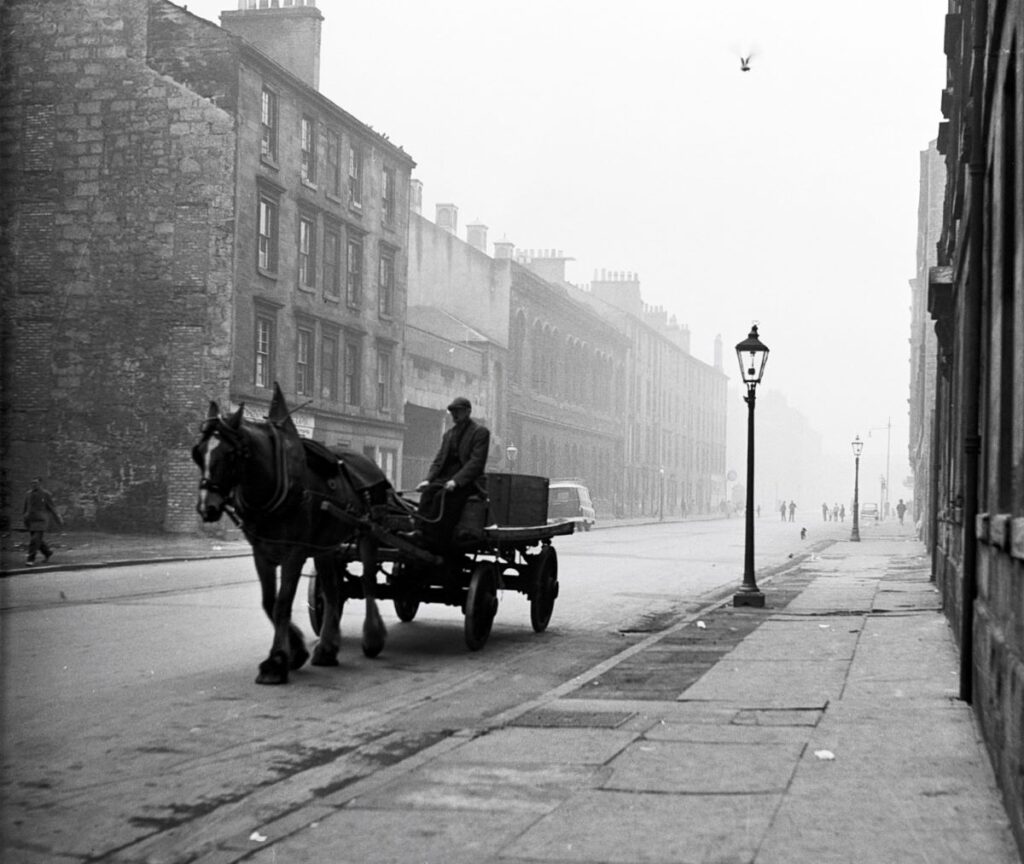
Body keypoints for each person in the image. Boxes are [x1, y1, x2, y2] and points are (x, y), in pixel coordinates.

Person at [415, 397, 490, 551]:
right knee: (428, 494)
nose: (454, 415)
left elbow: (476, 463)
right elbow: (439, 460)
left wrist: (456, 481)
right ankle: (419, 532)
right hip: (445, 479)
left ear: (468, 412)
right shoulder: (449, 435)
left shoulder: (480, 433)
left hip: (469, 483)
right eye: (452, 411)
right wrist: (428, 480)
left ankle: (437, 540)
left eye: (458, 411)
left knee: (441, 498)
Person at [23, 477, 63, 566]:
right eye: (32, 483)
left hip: (41, 521)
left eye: (36, 483)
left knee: (34, 540)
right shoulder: (28, 494)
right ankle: (47, 552)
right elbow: (26, 507)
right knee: (38, 540)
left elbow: (52, 507)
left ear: (40, 484)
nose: (34, 485)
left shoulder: (45, 494)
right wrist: (25, 517)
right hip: (31, 520)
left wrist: (58, 517)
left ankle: (30, 559)